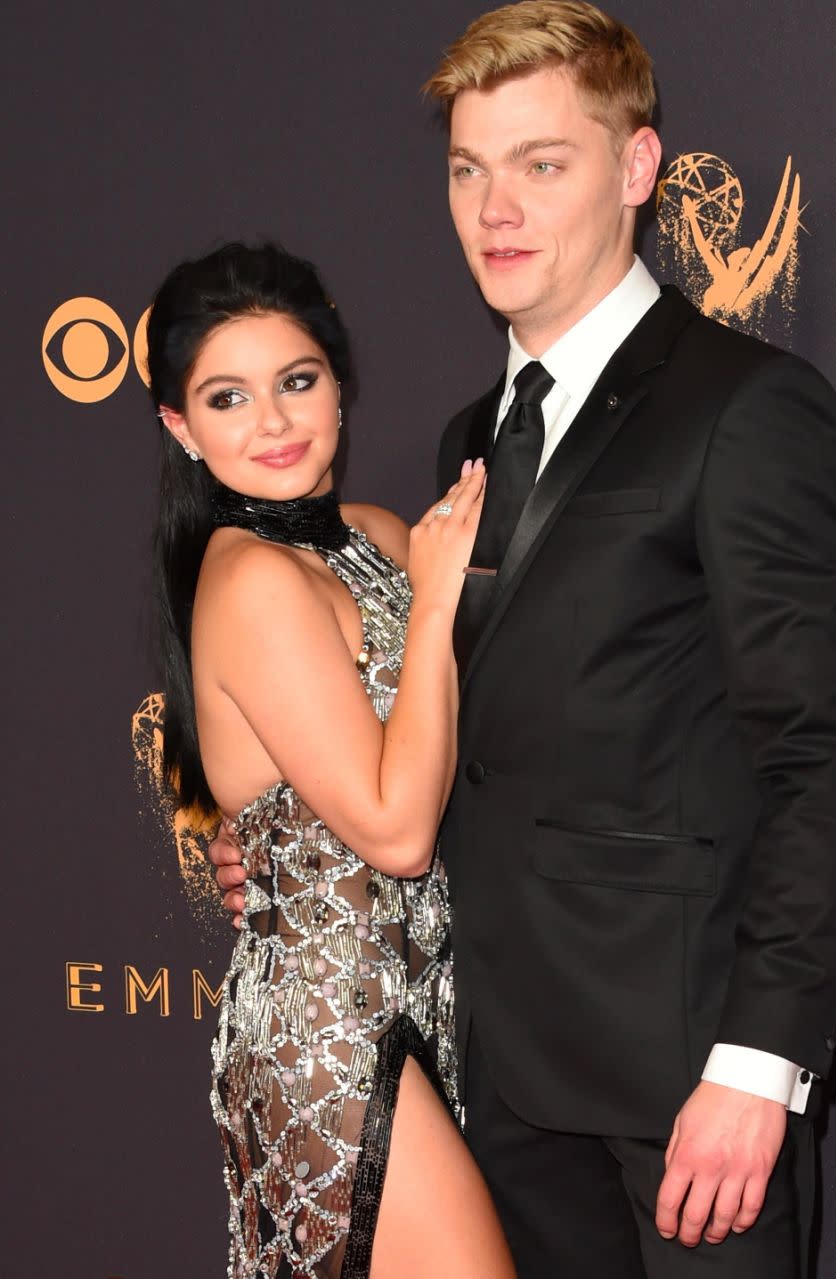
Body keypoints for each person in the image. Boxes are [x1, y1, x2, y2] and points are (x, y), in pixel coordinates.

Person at [212, 4, 836, 1275]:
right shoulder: (471, 433)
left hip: (684, 1092)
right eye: (469, 169)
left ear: (636, 170)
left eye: (541, 163)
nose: (495, 208)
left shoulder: (746, 409)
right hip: (495, 1077)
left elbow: (822, 756)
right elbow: (456, 724)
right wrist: (298, 848)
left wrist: (757, 1067)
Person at [146, 241, 515, 1279]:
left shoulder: (376, 535)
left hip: (437, 1004)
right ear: (181, 426)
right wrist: (438, 598)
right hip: (326, 1035)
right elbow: (396, 831)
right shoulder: (250, 581)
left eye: (297, 381)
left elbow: (461, 756)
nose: (273, 422)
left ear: (340, 389)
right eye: (228, 397)